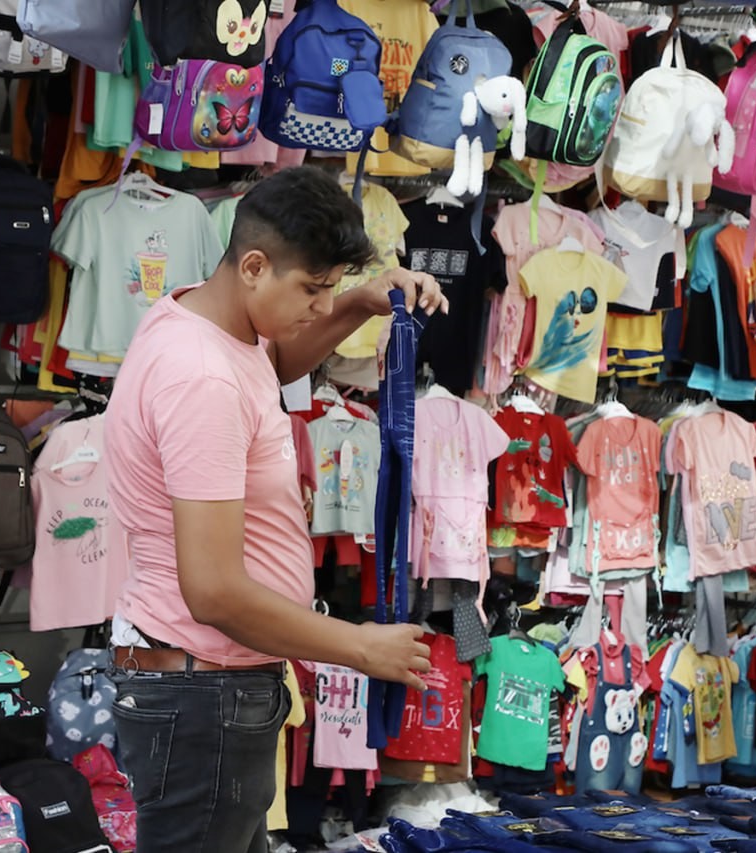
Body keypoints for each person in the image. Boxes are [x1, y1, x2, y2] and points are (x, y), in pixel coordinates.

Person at [104, 166, 450, 853]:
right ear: (255, 266)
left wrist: (358, 302)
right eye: (313, 289)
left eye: (330, 288)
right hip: (203, 693)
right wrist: (359, 646)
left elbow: (272, 365)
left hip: (209, 687)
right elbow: (213, 591)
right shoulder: (200, 377)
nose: (320, 307)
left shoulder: (210, 324)